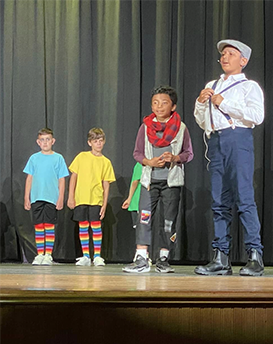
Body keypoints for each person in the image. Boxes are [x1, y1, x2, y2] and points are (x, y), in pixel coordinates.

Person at [193, 39, 264, 276]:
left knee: (244, 197)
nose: (225, 57)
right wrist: (201, 103)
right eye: (223, 54)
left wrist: (225, 102)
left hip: (238, 139)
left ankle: (255, 255)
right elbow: (203, 122)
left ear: (243, 61)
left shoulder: (249, 86)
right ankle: (221, 256)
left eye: (231, 54)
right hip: (216, 141)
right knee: (219, 201)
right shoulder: (212, 84)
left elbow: (257, 116)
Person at [123, 86, 193, 273]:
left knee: (168, 220)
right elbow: (137, 153)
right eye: (155, 103)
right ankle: (142, 258)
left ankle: (163, 258)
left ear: (173, 106)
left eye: (164, 103)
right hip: (149, 181)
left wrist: (175, 158)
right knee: (144, 218)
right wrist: (149, 161)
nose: (159, 106)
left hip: (171, 182)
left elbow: (189, 153)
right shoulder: (145, 127)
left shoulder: (181, 128)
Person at [67, 128, 116, 266]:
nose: (98, 144)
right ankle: (86, 255)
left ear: (104, 142)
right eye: (95, 141)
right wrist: (71, 196)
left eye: (101, 141)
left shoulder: (106, 162)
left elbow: (106, 185)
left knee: (96, 226)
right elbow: (73, 177)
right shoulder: (81, 157)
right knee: (83, 226)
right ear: (90, 143)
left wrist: (104, 204)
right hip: (81, 198)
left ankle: (98, 255)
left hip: (96, 199)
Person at [23, 128, 69, 265]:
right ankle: (39, 253)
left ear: (53, 141)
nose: (45, 142)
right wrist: (27, 197)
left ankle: (48, 254)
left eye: (48, 139)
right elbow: (29, 178)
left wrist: (61, 197)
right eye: (42, 140)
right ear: (38, 142)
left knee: (49, 225)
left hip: (51, 198)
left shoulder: (58, 158)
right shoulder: (34, 158)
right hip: (37, 197)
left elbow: (62, 179)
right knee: (38, 225)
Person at [121, 162, 143, 228]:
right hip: (138, 203)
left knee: (141, 229)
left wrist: (129, 198)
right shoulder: (141, 164)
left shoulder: (141, 164)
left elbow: (135, 181)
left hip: (138, 203)